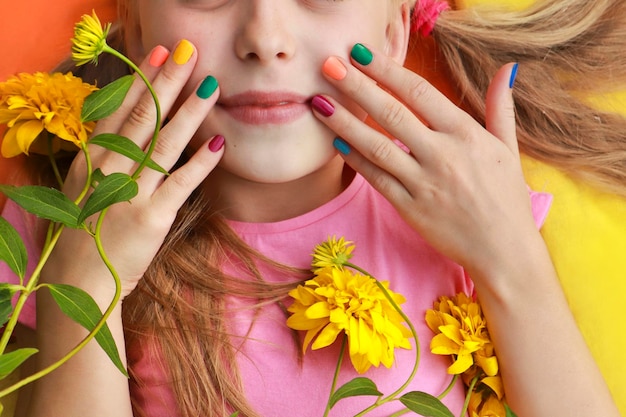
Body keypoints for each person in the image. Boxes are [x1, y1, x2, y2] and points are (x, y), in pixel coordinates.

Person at [1, 0, 621, 416]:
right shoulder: (59, 228)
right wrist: (82, 284)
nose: (264, 40)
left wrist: (512, 258)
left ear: (393, 30)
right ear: (134, 29)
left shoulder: (473, 213)